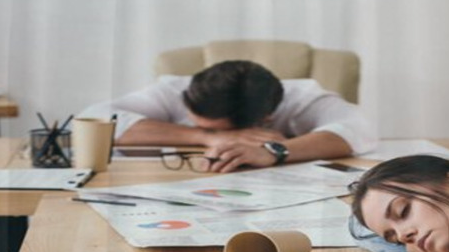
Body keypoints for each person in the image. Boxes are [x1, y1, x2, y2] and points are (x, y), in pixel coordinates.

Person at [79, 60, 377, 171]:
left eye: (217, 127)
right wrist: (211, 136)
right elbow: (94, 117)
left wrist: (275, 151)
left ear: (265, 119)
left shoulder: (302, 97)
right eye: (197, 122)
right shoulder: (176, 89)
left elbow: (359, 128)